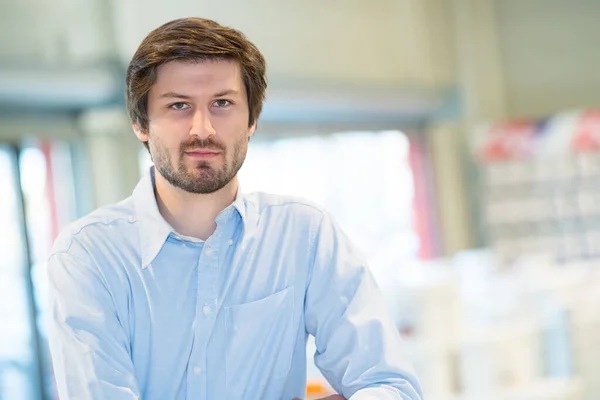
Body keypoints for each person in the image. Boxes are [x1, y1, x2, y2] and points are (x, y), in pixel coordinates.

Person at [47, 17, 423, 400]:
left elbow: (389, 386)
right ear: (141, 124)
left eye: (222, 103)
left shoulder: (304, 236)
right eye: (178, 105)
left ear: (252, 120)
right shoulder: (89, 256)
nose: (203, 129)